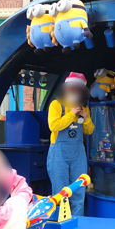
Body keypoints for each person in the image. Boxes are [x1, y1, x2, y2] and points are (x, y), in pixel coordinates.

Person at [46, 72, 94, 216]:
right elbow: (53, 126)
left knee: (79, 188)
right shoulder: (56, 105)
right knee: (60, 191)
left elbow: (89, 131)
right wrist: (71, 114)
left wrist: (86, 119)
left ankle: (79, 221)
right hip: (59, 151)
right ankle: (60, 221)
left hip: (78, 151)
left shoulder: (84, 108)